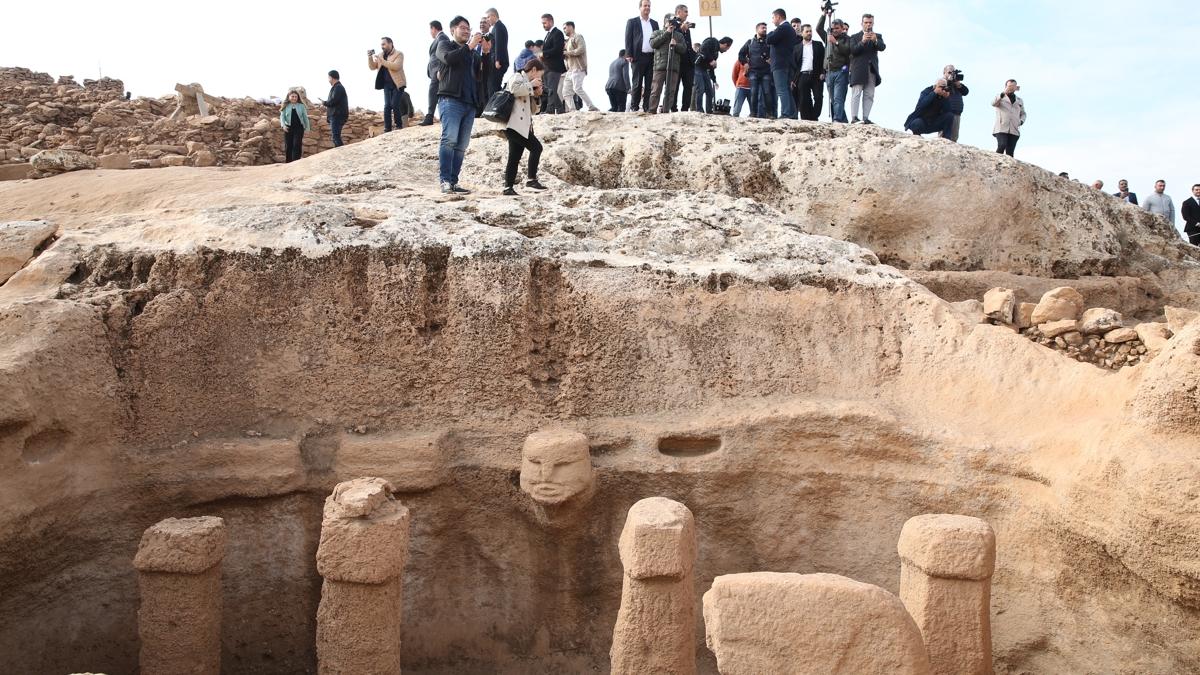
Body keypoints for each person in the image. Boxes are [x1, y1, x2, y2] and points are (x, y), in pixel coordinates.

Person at [434, 16, 483, 194]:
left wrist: (485, 52)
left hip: (469, 103)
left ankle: (453, 182)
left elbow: (481, 74)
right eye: (462, 28)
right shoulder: (444, 45)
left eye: (468, 29)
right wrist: (470, 46)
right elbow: (448, 59)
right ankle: (445, 181)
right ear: (453, 30)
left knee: (461, 145)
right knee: (449, 140)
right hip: (450, 99)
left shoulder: (471, 53)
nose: (467, 31)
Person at [501, 58, 550, 196]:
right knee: (537, 148)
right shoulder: (517, 76)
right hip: (513, 124)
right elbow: (514, 89)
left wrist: (537, 95)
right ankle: (531, 180)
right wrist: (531, 84)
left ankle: (508, 187)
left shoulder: (527, 83)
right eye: (539, 75)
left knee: (515, 156)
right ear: (533, 70)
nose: (540, 78)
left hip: (521, 125)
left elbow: (534, 110)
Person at [848, 14, 885, 124]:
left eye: (870, 22)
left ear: (873, 23)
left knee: (869, 94)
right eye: (866, 22)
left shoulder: (877, 35)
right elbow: (853, 51)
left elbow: (882, 47)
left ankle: (865, 118)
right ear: (862, 23)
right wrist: (862, 41)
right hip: (858, 69)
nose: (868, 24)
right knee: (856, 93)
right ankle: (854, 117)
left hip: (872, 69)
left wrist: (875, 41)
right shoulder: (854, 37)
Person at [624, 0, 660, 113]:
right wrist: (628, 54)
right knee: (637, 83)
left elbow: (658, 40)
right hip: (637, 57)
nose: (647, 8)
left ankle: (647, 107)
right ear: (640, 7)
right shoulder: (632, 22)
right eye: (645, 6)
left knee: (650, 84)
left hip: (651, 57)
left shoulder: (654, 23)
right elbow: (628, 39)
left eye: (649, 6)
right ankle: (634, 107)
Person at [650, 15, 687, 114]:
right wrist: (667, 33)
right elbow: (653, 44)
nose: (672, 24)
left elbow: (684, 49)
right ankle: (652, 110)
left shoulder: (679, 36)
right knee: (656, 90)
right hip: (659, 66)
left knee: (670, 91)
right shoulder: (657, 32)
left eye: (674, 23)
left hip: (673, 67)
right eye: (670, 22)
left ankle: (666, 111)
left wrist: (676, 45)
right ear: (665, 22)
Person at [817, 13, 850, 122]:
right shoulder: (827, 37)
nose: (834, 30)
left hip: (841, 72)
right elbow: (818, 28)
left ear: (842, 28)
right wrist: (823, 15)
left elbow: (846, 51)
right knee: (833, 99)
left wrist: (835, 42)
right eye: (833, 28)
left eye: (837, 28)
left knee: (838, 99)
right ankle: (842, 120)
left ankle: (837, 119)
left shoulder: (847, 39)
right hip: (829, 72)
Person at [766, 9, 798, 120]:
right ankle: (792, 113)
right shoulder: (790, 29)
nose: (773, 20)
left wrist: (770, 33)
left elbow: (769, 39)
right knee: (787, 89)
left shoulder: (783, 28)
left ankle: (785, 113)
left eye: (773, 17)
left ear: (778, 17)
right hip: (787, 63)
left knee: (782, 89)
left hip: (780, 64)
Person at [369, 37, 407, 132]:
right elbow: (372, 67)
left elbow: (396, 66)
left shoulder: (399, 54)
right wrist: (369, 57)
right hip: (386, 85)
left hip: (398, 84)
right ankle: (387, 128)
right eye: (381, 45)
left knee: (394, 104)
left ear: (390, 44)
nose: (382, 47)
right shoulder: (381, 55)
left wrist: (382, 61)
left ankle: (399, 125)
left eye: (384, 44)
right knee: (387, 106)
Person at [562, 21, 600, 112]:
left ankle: (592, 107)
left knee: (577, 88)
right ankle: (573, 110)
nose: (564, 30)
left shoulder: (578, 37)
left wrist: (567, 53)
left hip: (578, 68)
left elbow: (581, 49)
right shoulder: (567, 41)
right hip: (570, 70)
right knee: (566, 92)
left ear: (571, 27)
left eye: (565, 28)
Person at [740, 22, 775, 118]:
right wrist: (745, 63)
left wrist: (772, 60)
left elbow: (776, 53)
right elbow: (741, 54)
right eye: (762, 28)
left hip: (766, 72)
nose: (765, 29)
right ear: (757, 30)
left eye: (765, 28)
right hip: (753, 71)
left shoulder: (769, 42)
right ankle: (753, 113)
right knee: (754, 93)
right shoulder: (749, 42)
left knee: (767, 93)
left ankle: (769, 114)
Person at [792, 23, 824, 121]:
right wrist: (792, 79)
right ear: (802, 33)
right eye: (807, 31)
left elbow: (824, 60)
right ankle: (806, 119)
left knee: (818, 97)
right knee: (804, 99)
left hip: (816, 75)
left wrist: (823, 72)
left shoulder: (818, 45)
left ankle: (814, 117)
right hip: (802, 75)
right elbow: (793, 65)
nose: (809, 33)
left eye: (810, 31)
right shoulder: (796, 48)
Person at [693, 37, 733, 113]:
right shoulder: (712, 41)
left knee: (710, 91)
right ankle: (699, 110)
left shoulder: (716, 53)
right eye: (727, 49)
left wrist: (714, 80)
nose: (726, 51)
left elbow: (711, 68)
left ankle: (709, 110)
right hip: (697, 67)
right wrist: (711, 59)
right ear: (725, 45)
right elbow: (703, 49)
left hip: (705, 70)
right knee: (700, 89)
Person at [421, 22, 449, 126]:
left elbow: (443, 54)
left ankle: (430, 117)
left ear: (433, 28)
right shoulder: (440, 38)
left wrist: (440, 70)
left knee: (433, 92)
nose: (430, 33)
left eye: (430, 29)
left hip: (438, 71)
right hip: (434, 71)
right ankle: (431, 116)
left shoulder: (442, 38)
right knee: (436, 93)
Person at [540, 14, 567, 114]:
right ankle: (559, 109)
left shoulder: (557, 33)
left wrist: (544, 53)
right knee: (548, 89)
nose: (543, 25)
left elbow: (557, 49)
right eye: (542, 23)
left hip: (555, 67)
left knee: (551, 89)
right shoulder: (548, 34)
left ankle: (550, 110)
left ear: (551, 21)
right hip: (547, 66)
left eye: (545, 23)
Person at [991, 79, 1025, 156]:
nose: (1011, 88)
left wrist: (1021, 121)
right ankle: (996, 164)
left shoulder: (1019, 100)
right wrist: (1003, 93)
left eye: (1013, 86)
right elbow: (993, 103)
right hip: (1001, 128)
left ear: (1016, 87)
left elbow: (1023, 113)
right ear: (1005, 87)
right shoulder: (1000, 96)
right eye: (1009, 86)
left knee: (1010, 152)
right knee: (1002, 145)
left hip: (1014, 129)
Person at [674, 5, 697, 112]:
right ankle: (673, 108)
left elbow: (689, 44)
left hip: (688, 62)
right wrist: (681, 30)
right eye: (685, 12)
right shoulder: (672, 23)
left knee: (688, 87)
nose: (687, 14)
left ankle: (685, 108)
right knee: (675, 87)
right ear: (678, 12)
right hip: (677, 61)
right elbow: (671, 37)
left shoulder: (687, 28)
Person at [279, 90, 310, 163]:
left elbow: (305, 117)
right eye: (292, 96)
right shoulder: (285, 105)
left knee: (297, 144)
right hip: (288, 128)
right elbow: (282, 117)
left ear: (298, 97)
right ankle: (288, 162)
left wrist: (307, 128)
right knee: (288, 145)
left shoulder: (301, 106)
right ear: (289, 97)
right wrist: (283, 126)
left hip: (299, 128)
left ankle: (296, 162)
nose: (294, 98)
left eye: (296, 97)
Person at [485, 8, 509, 100]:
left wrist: (497, 60)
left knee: (493, 87)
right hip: (495, 60)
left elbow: (499, 44)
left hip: (498, 62)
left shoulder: (499, 27)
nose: (487, 20)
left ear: (494, 16)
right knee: (493, 86)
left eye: (488, 17)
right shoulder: (496, 27)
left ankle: (497, 106)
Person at [941, 64, 969, 142]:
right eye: (949, 72)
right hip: (945, 113)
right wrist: (948, 81)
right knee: (943, 138)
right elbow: (942, 91)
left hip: (957, 113)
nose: (951, 75)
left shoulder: (956, 84)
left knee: (954, 138)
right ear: (944, 73)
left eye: (953, 73)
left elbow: (966, 92)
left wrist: (958, 85)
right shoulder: (941, 82)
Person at [323, 70, 348, 147]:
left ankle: (343, 154)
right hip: (337, 115)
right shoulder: (337, 87)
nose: (328, 80)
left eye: (328, 77)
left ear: (331, 77)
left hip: (337, 115)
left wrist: (324, 103)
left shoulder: (338, 87)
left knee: (335, 137)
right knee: (336, 136)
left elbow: (333, 101)